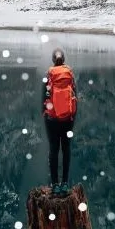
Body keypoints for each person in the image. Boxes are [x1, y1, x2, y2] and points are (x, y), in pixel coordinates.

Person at [42, 48, 77, 196]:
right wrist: (71, 116)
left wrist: (46, 114)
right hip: (68, 118)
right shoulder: (69, 73)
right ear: (64, 60)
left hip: (52, 118)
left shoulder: (49, 74)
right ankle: (65, 183)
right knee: (66, 148)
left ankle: (55, 184)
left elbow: (43, 97)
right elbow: (75, 95)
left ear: (53, 60)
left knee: (54, 149)